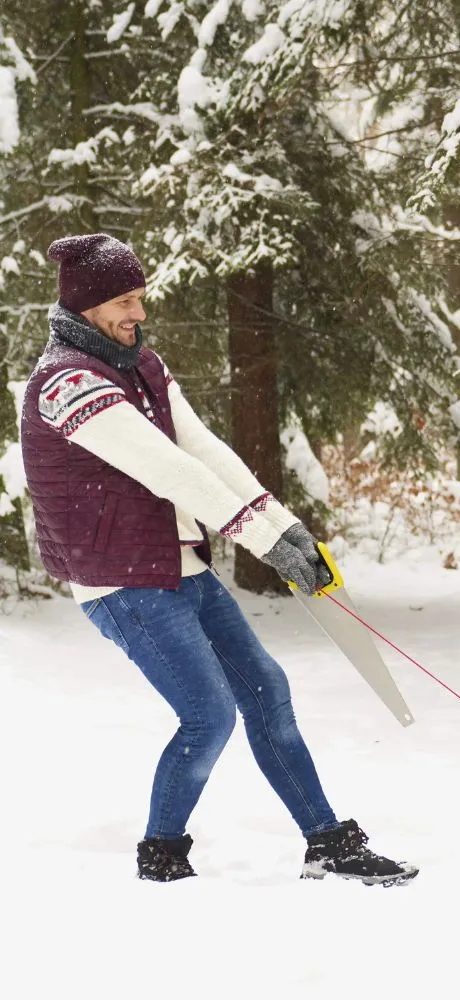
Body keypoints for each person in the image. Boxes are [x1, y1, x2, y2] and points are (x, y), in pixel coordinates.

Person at [19, 233, 418, 887]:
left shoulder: (139, 364)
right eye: (125, 300)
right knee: (208, 716)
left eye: (141, 298)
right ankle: (162, 856)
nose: (138, 314)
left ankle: (328, 842)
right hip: (121, 582)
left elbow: (201, 448)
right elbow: (167, 468)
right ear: (87, 304)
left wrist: (286, 530)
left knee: (268, 693)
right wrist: (260, 543)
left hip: (181, 566)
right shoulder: (64, 385)